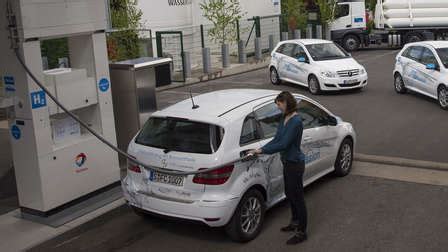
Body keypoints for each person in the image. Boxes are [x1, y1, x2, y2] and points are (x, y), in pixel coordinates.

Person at [249, 91, 307, 245]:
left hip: (295, 163)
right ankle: (294, 222)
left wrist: (262, 151)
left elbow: (284, 144)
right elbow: (277, 139)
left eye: (279, 104)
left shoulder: (296, 121)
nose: (278, 108)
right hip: (287, 162)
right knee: (289, 193)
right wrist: (260, 149)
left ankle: (302, 231)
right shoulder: (285, 118)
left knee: (298, 197)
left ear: (286, 102)